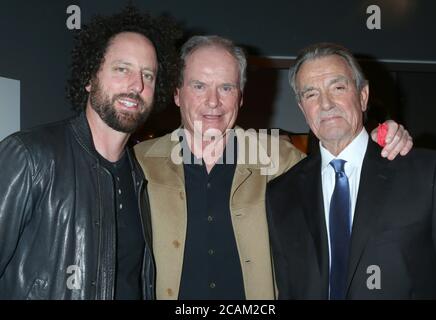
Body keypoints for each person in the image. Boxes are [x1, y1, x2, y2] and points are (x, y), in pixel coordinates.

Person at [134, 35, 412, 300]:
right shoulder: (139, 162)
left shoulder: (281, 159)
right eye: (199, 86)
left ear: (240, 97)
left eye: (226, 88)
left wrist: (377, 142)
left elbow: (340, 175)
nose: (213, 101)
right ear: (177, 94)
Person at [0, 6, 180, 299]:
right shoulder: (30, 157)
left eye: (148, 75)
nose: (137, 85)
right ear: (89, 77)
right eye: (122, 69)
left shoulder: (140, 180)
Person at [266, 42, 436, 299]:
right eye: (311, 94)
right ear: (302, 109)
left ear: (363, 96)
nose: (326, 104)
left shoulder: (430, 174)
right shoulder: (280, 194)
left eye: (338, 87)